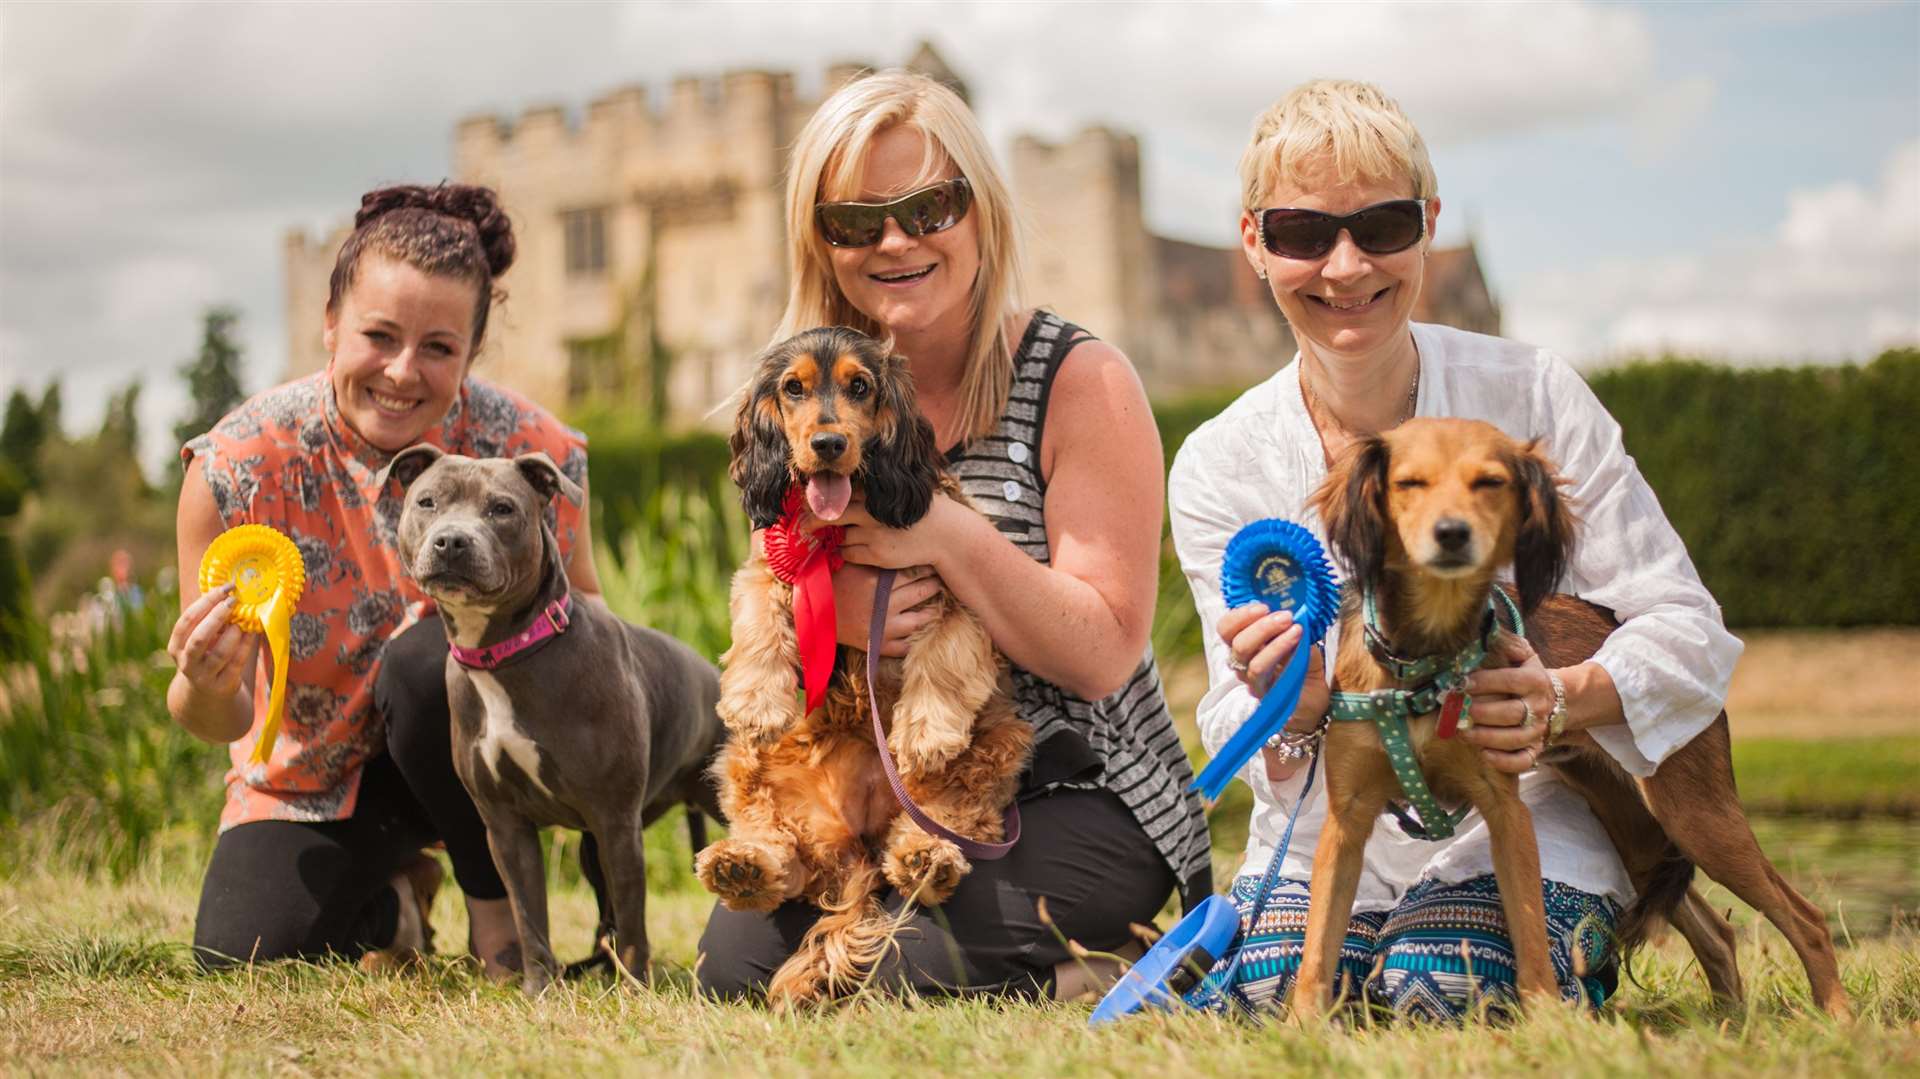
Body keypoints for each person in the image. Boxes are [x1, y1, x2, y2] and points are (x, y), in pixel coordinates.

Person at [1168, 79, 1742, 1019]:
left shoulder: (1536, 394)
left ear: (1429, 224)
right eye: (1304, 234)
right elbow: (1234, 710)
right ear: (1254, 244)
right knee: (1277, 993)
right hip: (1327, 825)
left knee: (1447, 990)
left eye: (1383, 224)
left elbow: (1685, 627)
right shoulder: (1218, 460)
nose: (1346, 265)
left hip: (1521, 815)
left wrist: (1563, 695)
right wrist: (1295, 706)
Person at [695, 70, 1213, 1002]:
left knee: (887, 970)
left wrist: (942, 537)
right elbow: (774, 582)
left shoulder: (1077, 379)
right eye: (857, 219)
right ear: (820, 239)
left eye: (931, 204)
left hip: (1077, 788)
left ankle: (1098, 974)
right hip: (865, 783)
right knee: (734, 969)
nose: (897, 239)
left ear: (982, 212)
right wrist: (837, 614)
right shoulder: (805, 395)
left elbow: (1101, 655)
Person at [168, 183, 597, 976]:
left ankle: (495, 918)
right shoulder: (235, 468)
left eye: (438, 347)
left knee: (421, 659)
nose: (403, 372)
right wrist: (202, 678)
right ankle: (398, 897)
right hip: (311, 779)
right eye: (379, 335)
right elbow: (214, 717)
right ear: (329, 325)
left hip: (482, 756)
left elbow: (594, 622)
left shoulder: (534, 449)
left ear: (471, 352)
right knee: (242, 955)